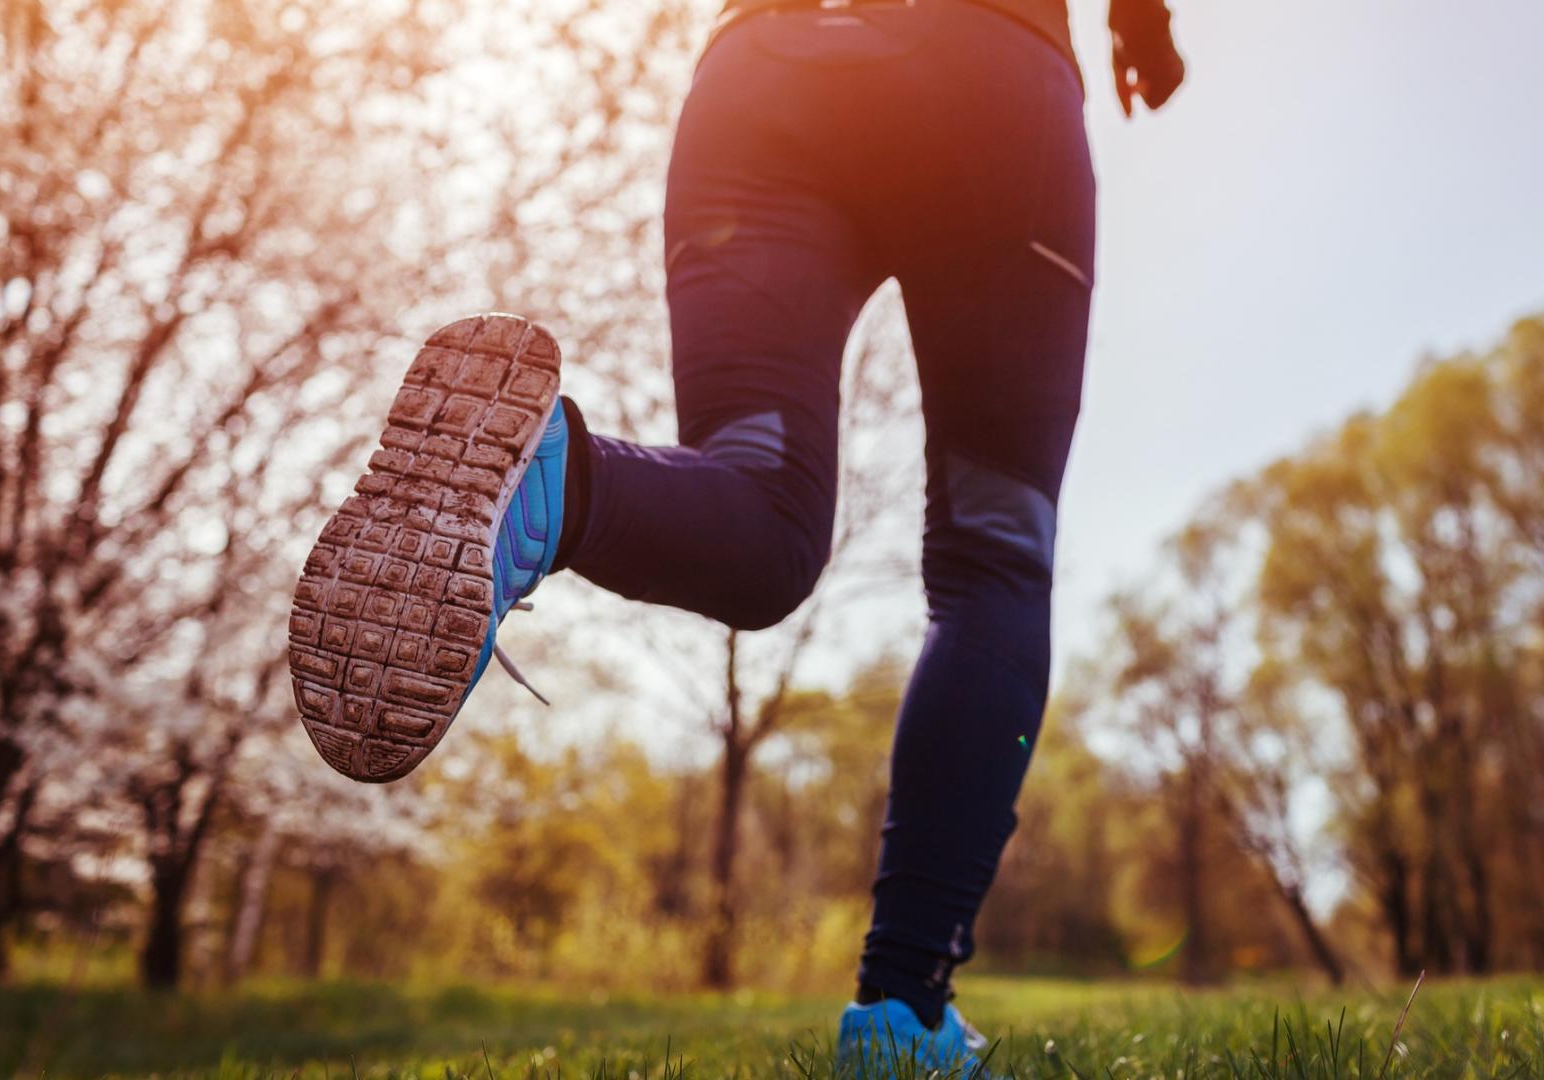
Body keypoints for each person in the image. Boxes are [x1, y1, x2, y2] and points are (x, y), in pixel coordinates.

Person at [287, 0, 1183, 1069]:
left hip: (763, 84)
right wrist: (1144, 29)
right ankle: (905, 1012)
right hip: (987, 81)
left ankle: (559, 486)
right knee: (994, 557)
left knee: (761, 511)